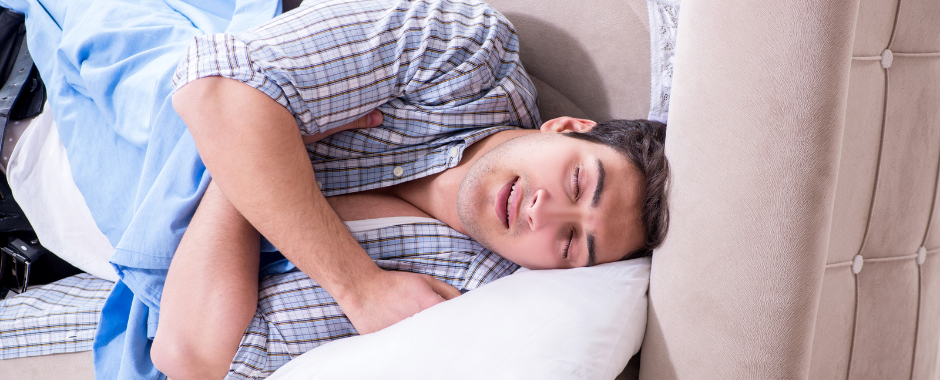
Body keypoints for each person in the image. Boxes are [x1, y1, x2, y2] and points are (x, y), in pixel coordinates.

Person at [148, 0, 669, 379]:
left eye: (571, 242)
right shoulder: (464, 55)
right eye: (578, 182)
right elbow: (211, 88)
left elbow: (191, 356)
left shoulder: (459, 286)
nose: (544, 213)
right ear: (568, 128)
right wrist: (357, 285)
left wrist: (256, 156)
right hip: (150, 52)